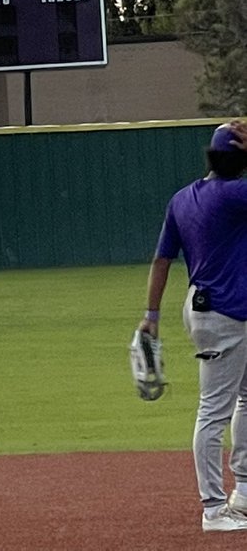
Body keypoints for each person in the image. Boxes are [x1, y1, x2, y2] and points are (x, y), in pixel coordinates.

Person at [140, 119, 247, 533]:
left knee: (244, 399)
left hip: (208, 308)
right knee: (214, 410)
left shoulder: (183, 198)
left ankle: (242, 493)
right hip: (224, 313)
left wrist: (151, 316)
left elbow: (161, 260)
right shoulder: (236, 195)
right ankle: (214, 508)